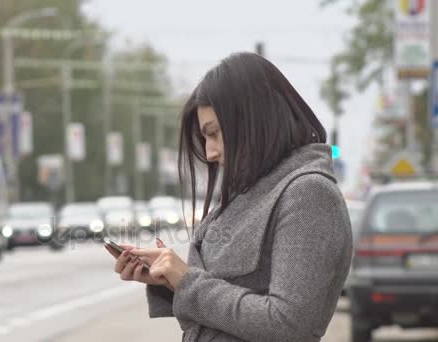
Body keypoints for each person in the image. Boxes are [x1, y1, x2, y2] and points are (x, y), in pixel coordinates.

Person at [105, 52, 353, 341]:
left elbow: (288, 324)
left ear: (254, 121)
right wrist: (170, 281)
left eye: (213, 133)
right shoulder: (250, 192)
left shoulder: (308, 194)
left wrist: (188, 281)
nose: (210, 152)